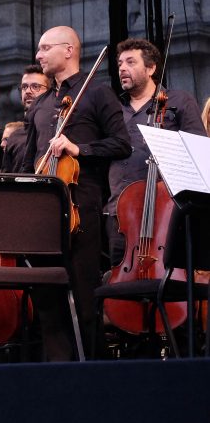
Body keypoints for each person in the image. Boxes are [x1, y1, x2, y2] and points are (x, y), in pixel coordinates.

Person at [21, 26, 131, 360]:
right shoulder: (41, 104)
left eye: (44, 48)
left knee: (83, 297)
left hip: (81, 208)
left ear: (69, 50)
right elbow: (28, 161)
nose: (38, 55)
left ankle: (90, 374)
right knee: (46, 299)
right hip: (43, 212)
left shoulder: (97, 94)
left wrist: (78, 149)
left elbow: (122, 144)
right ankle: (56, 372)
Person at [105, 38, 205, 266]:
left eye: (130, 62)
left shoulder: (178, 101)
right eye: (120, 63)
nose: (122, 68)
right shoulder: (114, 111)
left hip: (166, 211)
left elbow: (198, 150)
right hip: (120, 214)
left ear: (151, 68)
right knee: (121, 277)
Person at [2, 65, 51, 173]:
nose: (28, 91)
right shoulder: (14, 137)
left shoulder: (53, 132)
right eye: (24, 87)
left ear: (49, 92)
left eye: (35, 86)